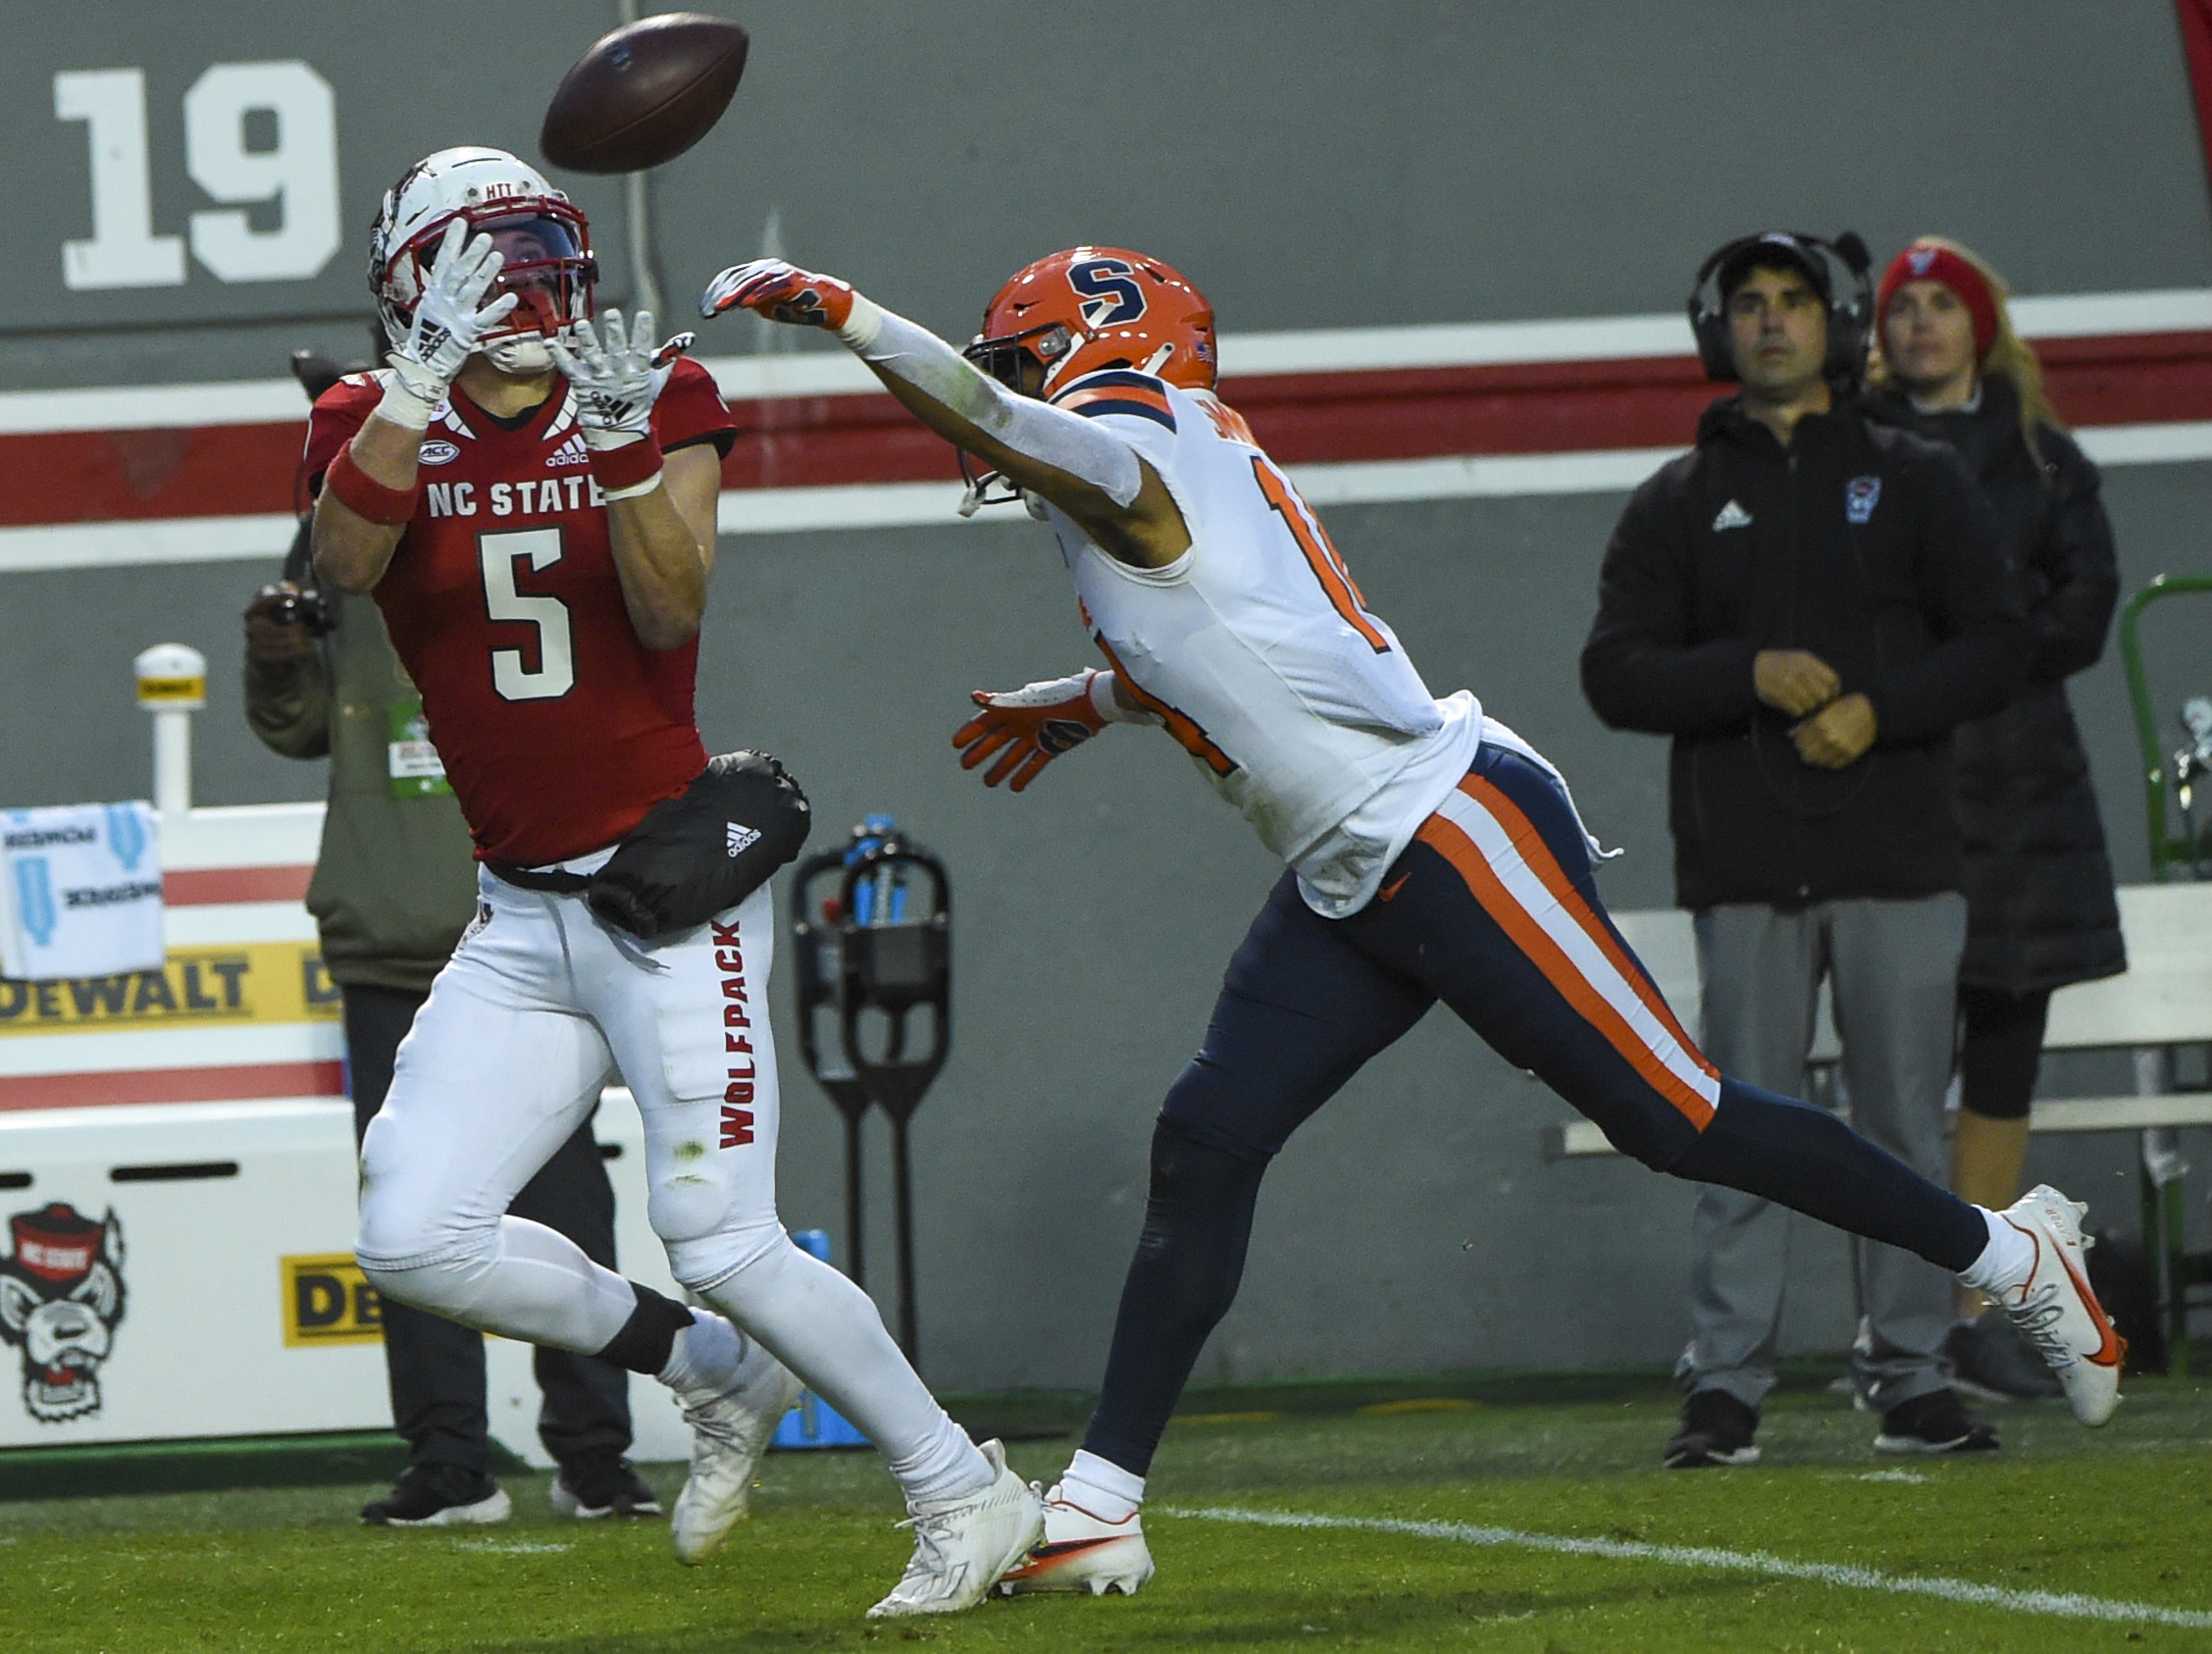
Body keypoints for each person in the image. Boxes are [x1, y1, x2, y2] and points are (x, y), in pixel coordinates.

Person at [700, 245, 2124, 1594]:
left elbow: (1007, 427)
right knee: (1205, 1137)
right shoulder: (1158, 467)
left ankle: (2009, 1255)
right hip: (1350, 863)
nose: (1005, 386)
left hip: (1446, 828)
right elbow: (1232, 640)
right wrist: (1085, 703)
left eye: (1027, 357)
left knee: (1674, 1117)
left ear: (1104, 350)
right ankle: (1095, 1507)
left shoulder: (1143, 436)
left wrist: (847, 318)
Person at [310, 146, 1040, 1617]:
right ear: (414, 285)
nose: (522, 289)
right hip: (517, 914)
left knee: (721, 1234)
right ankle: (708, 1369)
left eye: (534, 254)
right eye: (483, 261)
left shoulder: (650, 396)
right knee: (409, 1234)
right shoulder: (360, 419)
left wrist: (627, 442)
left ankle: (965, 1487)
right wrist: (409, 392)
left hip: (663, 896)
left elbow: (667, 603)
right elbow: (339, 564)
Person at [1581, 231, 2038, 1466]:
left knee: (1898, 1124)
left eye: (1791, 302)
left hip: (1897, 858)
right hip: (1740, 867)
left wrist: (1876, 708)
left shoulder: (1917, 476)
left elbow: (2000, 638)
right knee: (1734, 1129)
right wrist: (1746, 670)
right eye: (1747, 305)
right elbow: (1611, 671)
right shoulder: (1676, 500)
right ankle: (1723, 1385)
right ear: (1715, 329)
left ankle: (1909, 1373)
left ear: (1828, 324)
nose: (1769, 322)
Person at [244, 411, 657, 1527]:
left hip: (527, 936)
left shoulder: (508, 567)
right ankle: (448, 1456)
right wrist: (275, 656)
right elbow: (295, 727)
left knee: (565, 1202)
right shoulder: (341, 582)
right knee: (411, 1219)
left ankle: (592, 1450)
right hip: (391, 942)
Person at [1862, 236, 2126, 1401]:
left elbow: (2082, 614)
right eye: (1901, 307)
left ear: (1980, 325)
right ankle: (1899, 1320)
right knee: (1896, 1059)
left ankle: (1973, 1305)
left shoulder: (2045, 459)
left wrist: (1967, 630)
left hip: (2027, 792)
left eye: (1939, 305)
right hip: (1900, 779)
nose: (1918, 323)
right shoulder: (1851, 453)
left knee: (2003, 1046)